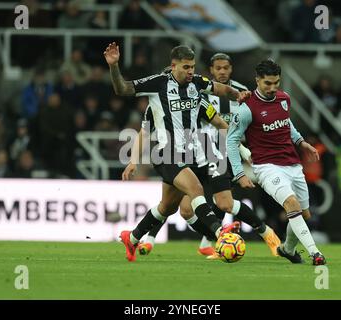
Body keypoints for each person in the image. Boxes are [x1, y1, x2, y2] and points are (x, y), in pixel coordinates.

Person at [104, 42, 248, 262]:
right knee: (196, 189)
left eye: (192, 67)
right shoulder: (158, 83)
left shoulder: (197, 84)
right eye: (186, 67)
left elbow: (221, 89)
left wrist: (237, 94)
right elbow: (122, 88)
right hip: (166, 153)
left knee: (166, 208)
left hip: (191, 154)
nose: (191, 71)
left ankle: (132, 238)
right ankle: (221, 234)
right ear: (174, 66)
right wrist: (114, 66)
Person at [134, 54, 280, 259]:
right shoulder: (193, 91)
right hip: (189, 153)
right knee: (182, 208)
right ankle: (206, 242)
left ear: (231, 69)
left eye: (225, 68)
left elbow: (232, 125)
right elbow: (146, 131)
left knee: (225, 203)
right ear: (211, 70)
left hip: (217, 153)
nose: (222, 72)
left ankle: (268, 235)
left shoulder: (235, 93)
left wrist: (245, 150)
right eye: (217, 68)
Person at [227, 59, 326, 265]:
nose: (273, 88)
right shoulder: (247, 108)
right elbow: (231, 140)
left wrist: (301, 142)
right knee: (292, 204)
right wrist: (239, 173)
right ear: (257, 80)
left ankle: (287, 249)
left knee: (304, 214)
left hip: (292, 163)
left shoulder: (284, 99)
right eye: (267, 83)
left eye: (276, 83)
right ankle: (315, 253)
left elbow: (285, 122)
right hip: (267, 167)